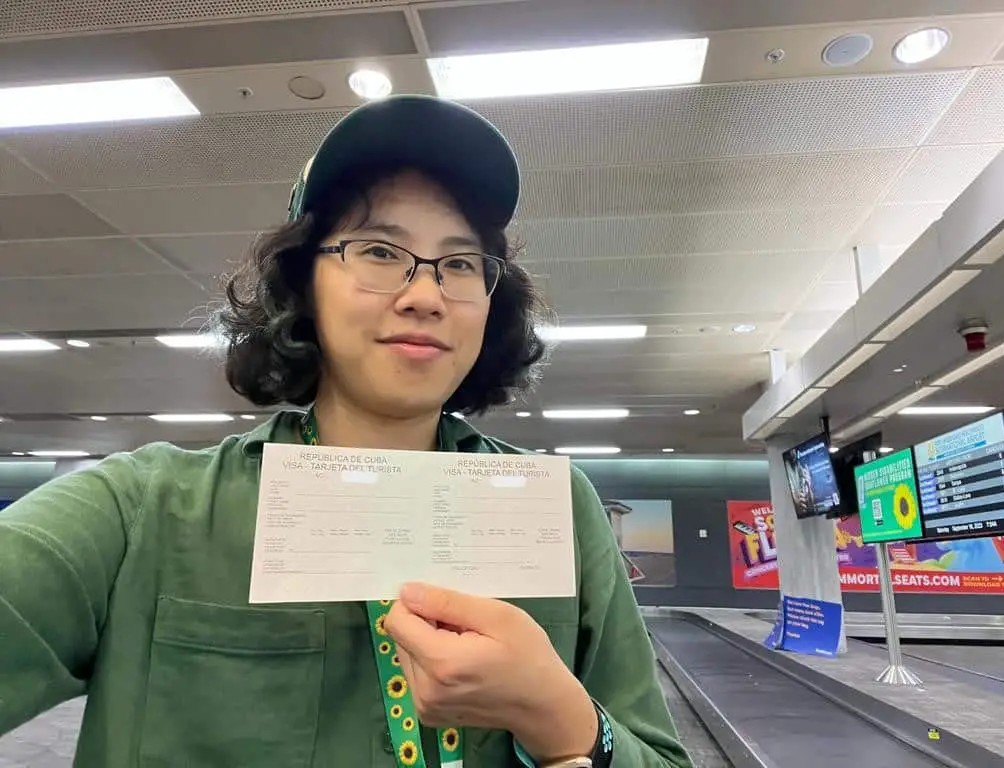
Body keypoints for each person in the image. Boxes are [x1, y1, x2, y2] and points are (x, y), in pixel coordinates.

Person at [0, 95, 691, 768]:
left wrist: (567, 722)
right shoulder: (143, 511)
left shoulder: (558, 511)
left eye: (458, 263)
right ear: (303, 285)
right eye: (380, 252)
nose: (425, 294)